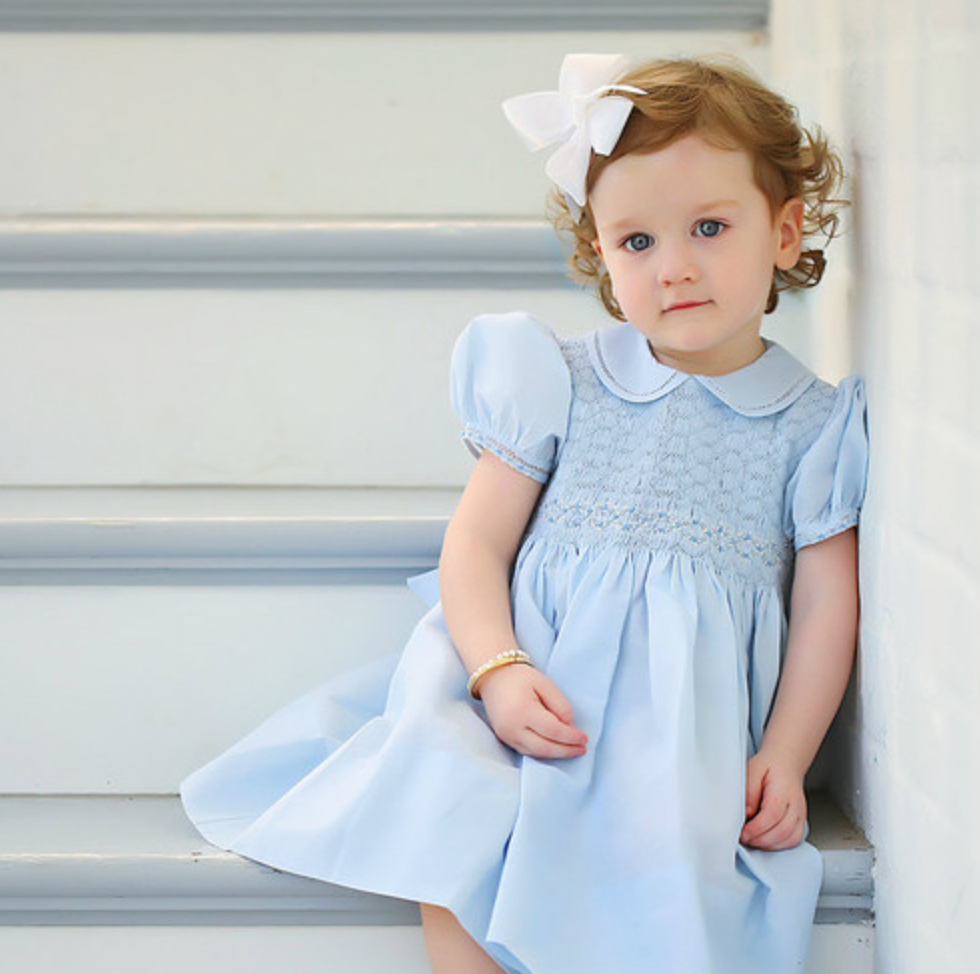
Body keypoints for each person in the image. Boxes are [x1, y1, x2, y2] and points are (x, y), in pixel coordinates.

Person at [182, 54, 868, 974]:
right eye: (636, 242)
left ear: (785, 233)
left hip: (670, 714)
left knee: (658, 864)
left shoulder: (813, 424)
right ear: (598, 254)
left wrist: (785, 756)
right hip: (521, 664)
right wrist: (498, 670)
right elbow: (478, 542)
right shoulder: (560, 378)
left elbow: (827, 608)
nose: (674, 269)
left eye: (709, 227)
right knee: (453, 803)